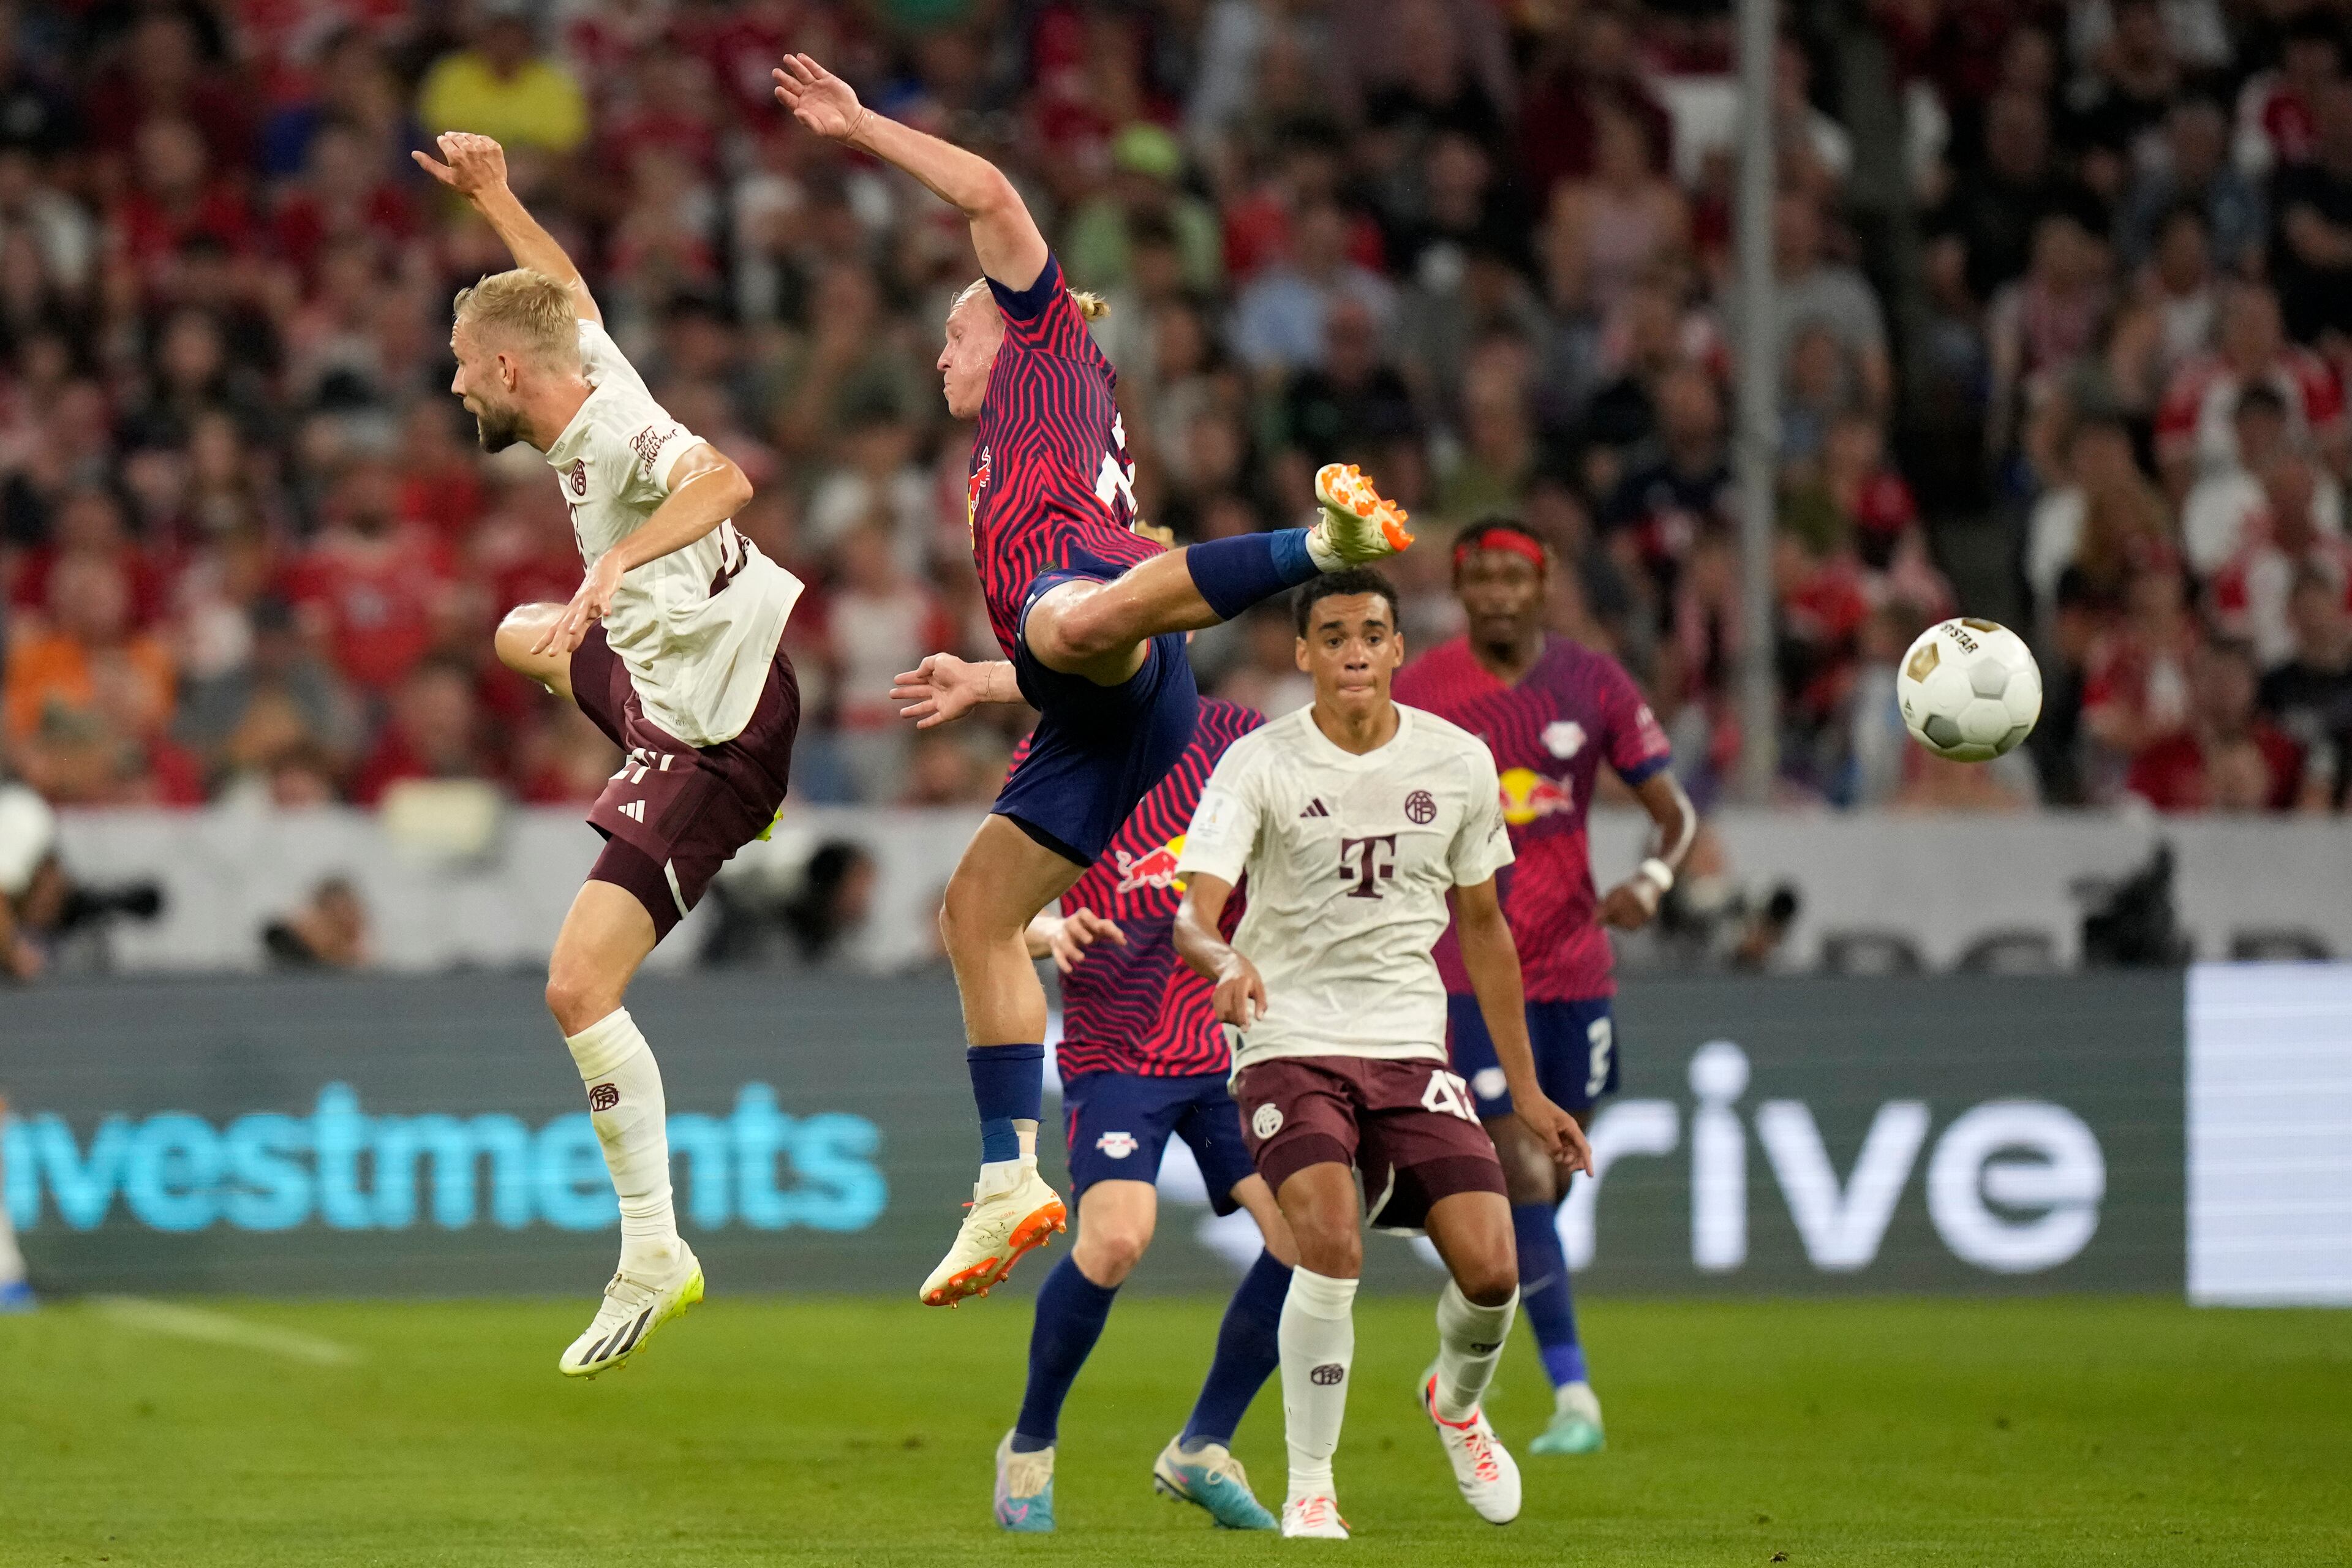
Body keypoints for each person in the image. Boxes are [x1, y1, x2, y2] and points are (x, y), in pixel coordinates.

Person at [770, 53, 1415, 1308]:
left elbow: (994, 199)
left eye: (947, 333)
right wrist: (987, 676)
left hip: (1101, 609)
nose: (940, 354)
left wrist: (860, 131)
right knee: (976, 912)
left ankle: (1317, 547)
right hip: (1084, 700)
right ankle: (1008, 1174)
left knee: (1081, 613)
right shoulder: (997, 447)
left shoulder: (1043, 340)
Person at [417, 132, 805, 1377]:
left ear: (511, 370)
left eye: (466, 369)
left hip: (714, 724)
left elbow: (729, 477)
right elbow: (568, 293)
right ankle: (686, 771)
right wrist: (498, 199)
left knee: (578, 988)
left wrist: (618, 562)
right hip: (677, 682)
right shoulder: (584, 370)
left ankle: (656, 1249)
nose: (458, 386)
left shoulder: (619, 440)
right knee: (517, 631)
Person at [1169, 568, 1596, 1539]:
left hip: (1409, 1043)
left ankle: (1453, 1398)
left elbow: (1484, 928)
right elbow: (1193, 917)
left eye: (1372, 633)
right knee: (1328, 1238)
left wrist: (1526, 1092)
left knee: (1492, 1271)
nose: (1355, 650)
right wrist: (1224, 957)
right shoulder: (1262, 764)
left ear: (1398, 648)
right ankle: (1310, 1485)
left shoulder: (1458, 762)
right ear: (1304, 653)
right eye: (1334, 634)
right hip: (1288, 1040)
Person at [902, 680, 1295, 1531]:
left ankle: (1201, 1449)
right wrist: (1052, 933)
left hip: (1233, 1048)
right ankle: (1031, 1448)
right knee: (1115, 1240)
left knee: (1310, 1243)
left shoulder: (1244, 738)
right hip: (1118, 1053)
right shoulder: (1067, 744)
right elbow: (985, 915)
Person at [1392, 518, 1695, 1455]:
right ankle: (1575, 1397)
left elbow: (1672, 813)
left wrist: (1654, 879)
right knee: (1519, 1168)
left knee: (1547, 1187)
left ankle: (1463, 1336)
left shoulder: (1592, 682)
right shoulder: (1421, 690)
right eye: (1477, 577)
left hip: (1574, 970)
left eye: (1512, 576)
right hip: (1465, 974)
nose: (1495, 593)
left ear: (1544, 581)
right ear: (1458, 587)